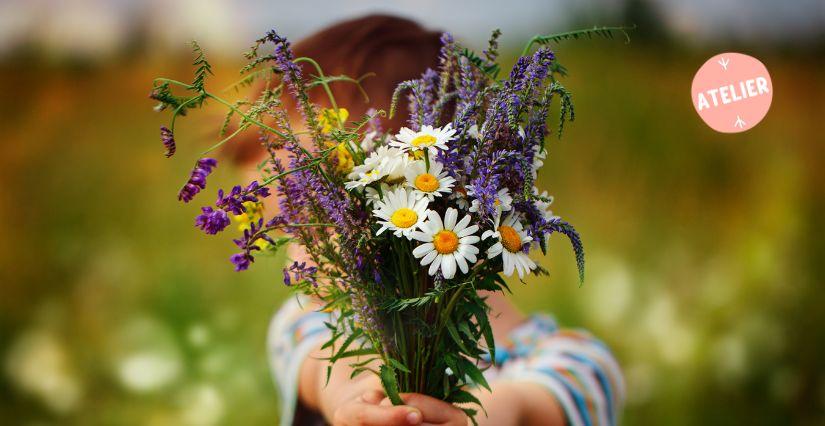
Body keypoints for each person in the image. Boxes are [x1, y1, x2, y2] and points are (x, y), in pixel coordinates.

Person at [232, 15, 624, 426]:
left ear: (418, 187)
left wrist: (503, 410)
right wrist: (360, 396)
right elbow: (328, 368)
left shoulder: (563, 359)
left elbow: (574, 385)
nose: (297, 262)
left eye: (317, 225)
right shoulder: (310, 327)